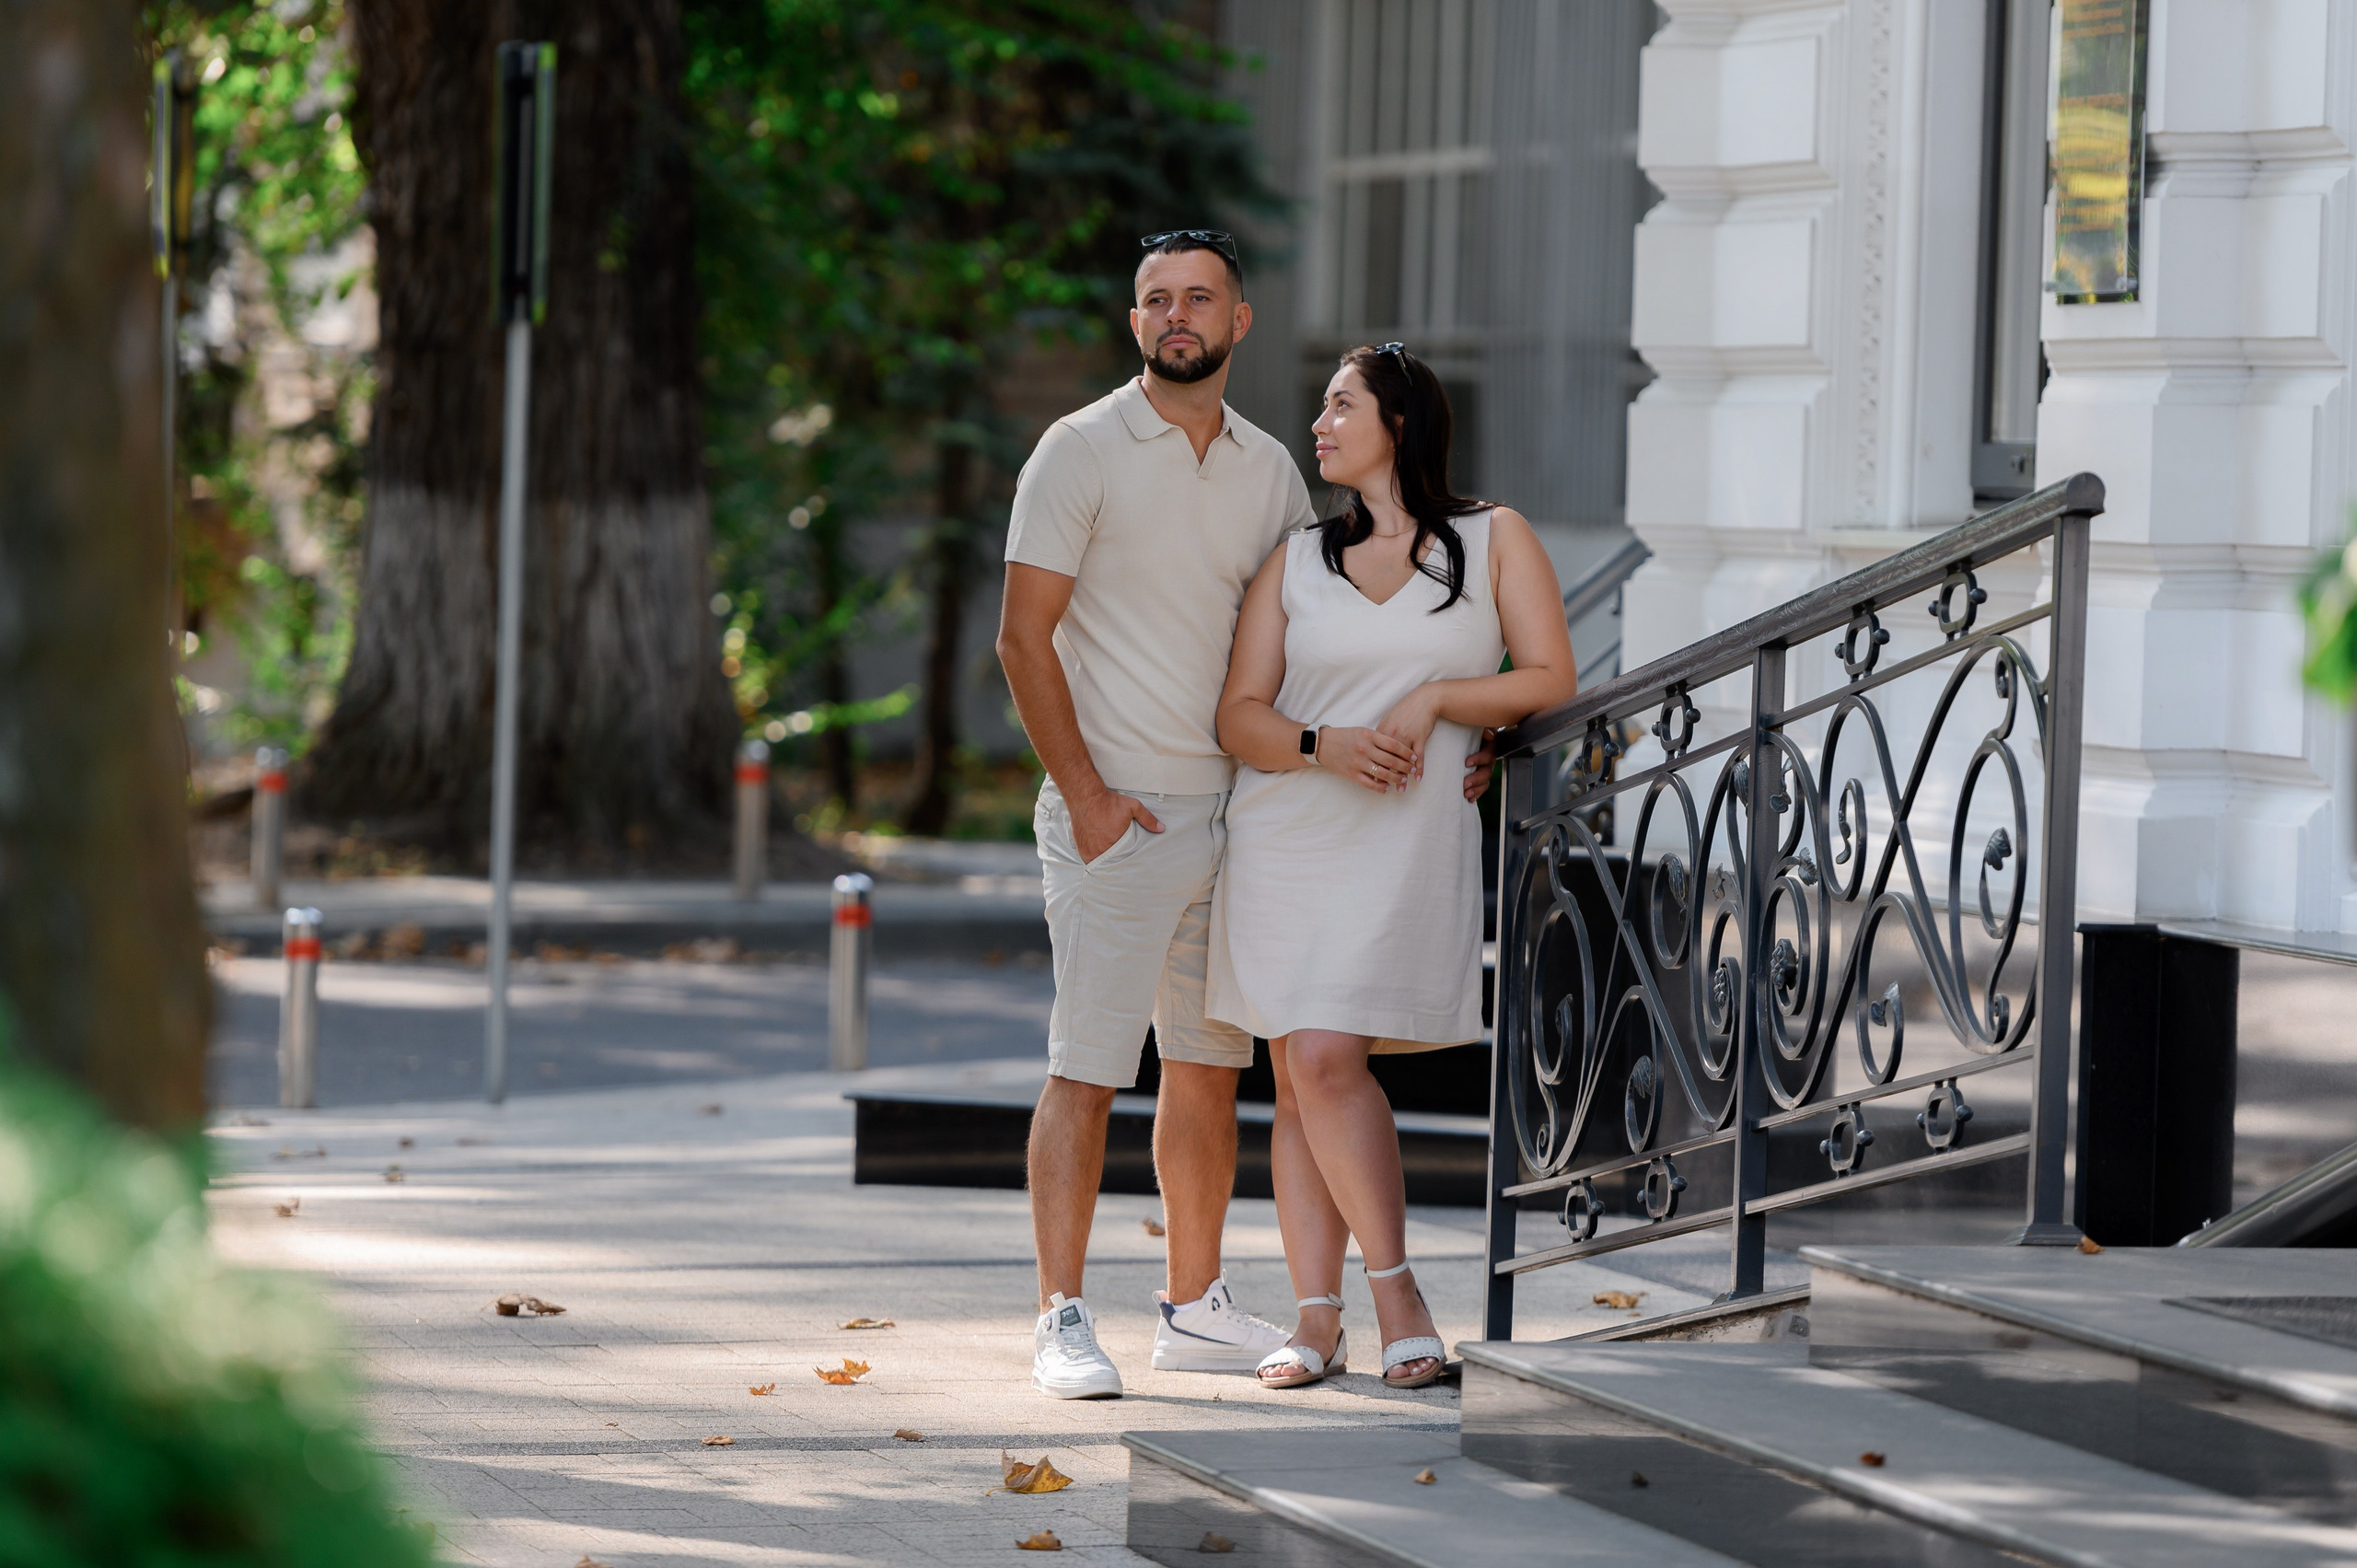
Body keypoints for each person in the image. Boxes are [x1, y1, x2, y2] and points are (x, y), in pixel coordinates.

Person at [1209, 343, 1578, 1391]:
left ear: (1401, 421)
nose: (1318, 425)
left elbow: (1549, 674)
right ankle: (1320, 1317)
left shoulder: (1493, 536)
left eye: (1340, 405)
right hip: (1288, 831)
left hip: (1404, 840)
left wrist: (1438, 701)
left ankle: (1395, 1291)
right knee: (1299, 1075)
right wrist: (1324, 741)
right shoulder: (1295, 555)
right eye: (1318, 407)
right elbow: (1240, 714)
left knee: (1324, 1058)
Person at [994, 230, 1311, 1399]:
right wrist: (1083, 795)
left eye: (1199, 298)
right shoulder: (1076, 450)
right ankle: (1060, 1313)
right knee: (1086, 1067)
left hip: (1237, 813)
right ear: (1136, 324)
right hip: (1116, 813)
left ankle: (1192, 1304)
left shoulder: (1271, 469)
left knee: (1206, 1065)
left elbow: (1294, 646)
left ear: (1238, 323)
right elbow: (1023, 638)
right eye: (1155, 299)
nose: (1176, 314)